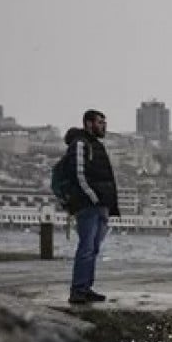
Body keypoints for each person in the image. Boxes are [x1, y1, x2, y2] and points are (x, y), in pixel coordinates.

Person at [64, 109, 120, 304]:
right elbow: (78, 175)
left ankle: (86, 287)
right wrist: (93, 197)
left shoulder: (97, 145)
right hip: (89, 205)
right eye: (100, 122)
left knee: (94, 248)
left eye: (104, 122)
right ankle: (78, 290)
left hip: (101, 205)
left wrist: (107, 203)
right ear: (88, 123)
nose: (104, 126)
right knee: (86, 247)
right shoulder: (80, 144)